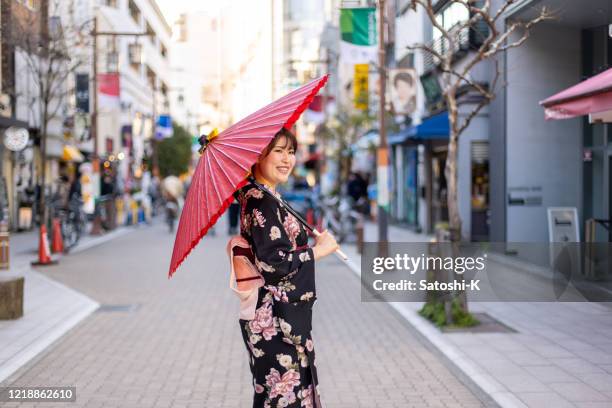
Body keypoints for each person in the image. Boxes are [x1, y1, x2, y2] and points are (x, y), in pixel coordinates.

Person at [235, 128, 338, 408]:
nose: (287, 159)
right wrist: (320, 251)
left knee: (281, 397)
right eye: (278, 151)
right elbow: (275, 264)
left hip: (279, 317)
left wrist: (306, 243)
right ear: (259, 156)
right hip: (276, 322)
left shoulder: (265, 196)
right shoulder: (260, 200)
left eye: (290, 151)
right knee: (285, 398)